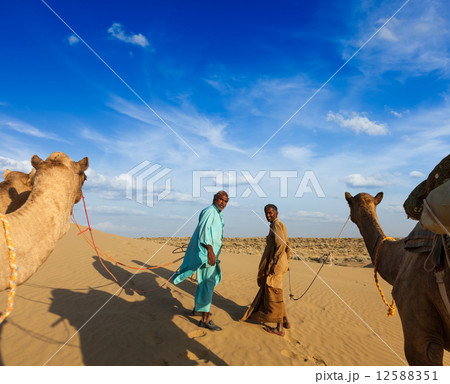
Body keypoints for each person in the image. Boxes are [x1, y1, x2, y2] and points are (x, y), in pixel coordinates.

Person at [172, 191, 228, 331]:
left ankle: (199, 309)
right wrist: (210, 250)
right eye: (221, 200)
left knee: (204, 282)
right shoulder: (209, 211)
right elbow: (204, 231)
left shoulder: (217, 214)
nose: (223, 203)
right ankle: (205, 319)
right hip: (207, 255)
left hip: (211, 255)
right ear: (215, 199)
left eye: (226, 201)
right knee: (207, 284)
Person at [241, 204, 291, 336]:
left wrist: (275, 263)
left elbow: (281, 244)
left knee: (274, 291)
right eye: (266, 213)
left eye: (270, 213)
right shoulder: (277, 225)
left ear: (276, 213)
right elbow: (287, 244)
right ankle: (285, 319)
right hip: (281, 262)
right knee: (276, 289)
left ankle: (279, 327)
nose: (268, 216)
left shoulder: (276, 225)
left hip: (277, 264)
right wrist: (287, 261)